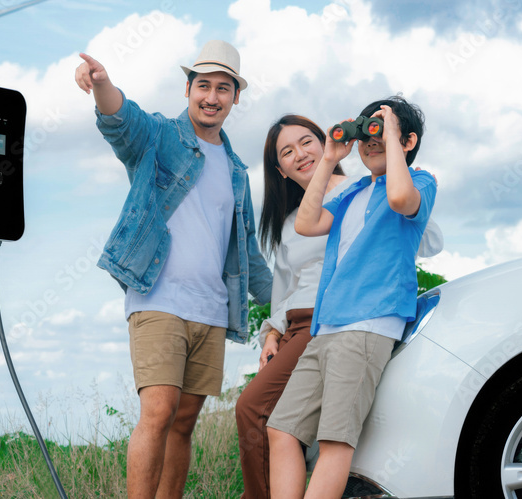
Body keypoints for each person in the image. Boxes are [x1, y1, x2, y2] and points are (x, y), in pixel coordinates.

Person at [74, 40, 273, 499]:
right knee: (159, 412)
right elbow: (122, 121)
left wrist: (291, 302)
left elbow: (247, 253)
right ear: (188, 88)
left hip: (212, 310)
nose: (212, 97)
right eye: (203, 85)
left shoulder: (238, 171)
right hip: (158, 299)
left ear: (235, 97)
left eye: (223, 88)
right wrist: (103, 86)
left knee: (183, 424)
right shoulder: (162, 137)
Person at [235, 114, 442, 498]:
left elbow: (410, 214)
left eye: (306, 142)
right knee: (282, 428)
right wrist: (330, 157)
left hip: (366, 321)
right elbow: (304, 232)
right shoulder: (349, 195)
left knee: (332, 437)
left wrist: (393, 138)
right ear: (277, 168)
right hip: (323, 326)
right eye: (287, 151)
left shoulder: (413, 183)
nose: (299, 154)